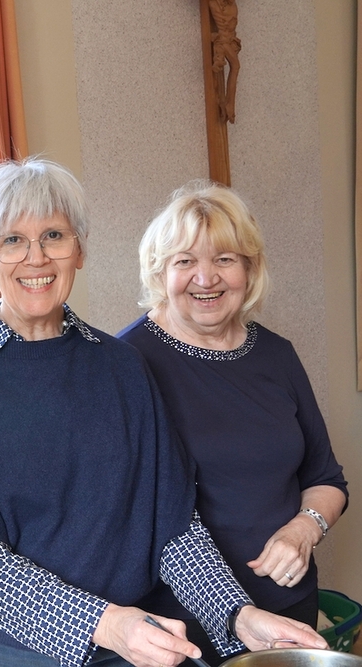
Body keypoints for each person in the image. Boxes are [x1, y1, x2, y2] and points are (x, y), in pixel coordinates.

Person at [0, 158, 328, 667]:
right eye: (12, 240)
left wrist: (237, 615)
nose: (36, 257)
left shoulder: (121, 366)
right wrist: (106, 623)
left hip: (116, 636)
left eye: (53, 236)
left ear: (78, 249)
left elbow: (172, 527)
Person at [118, 181, 347, 666]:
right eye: (185, 261)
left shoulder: (277, 355)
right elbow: (136, 514)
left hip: (288, 607)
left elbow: (326, 478)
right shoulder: (128, 363)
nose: (206, 278)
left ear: (249, 268)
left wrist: (304, 529)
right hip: (180, 625)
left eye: (224, 259)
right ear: (160, 272)